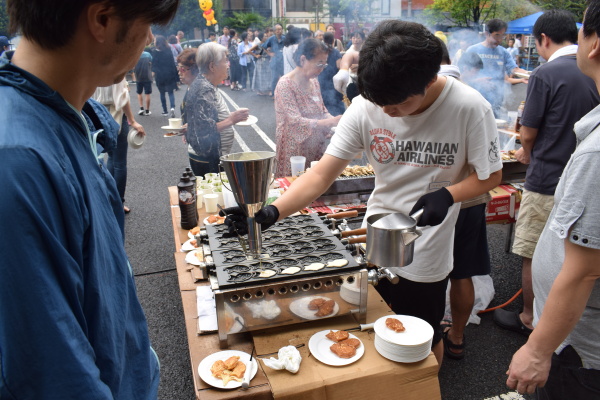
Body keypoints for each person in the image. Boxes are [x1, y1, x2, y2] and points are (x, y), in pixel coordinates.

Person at [223, 20, 502, 365]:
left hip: (427, 247)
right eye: (379, 102)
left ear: (429, 80)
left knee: (423, 340)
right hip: (377, 237)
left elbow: (491, 175)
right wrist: (271, 212)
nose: (386, 112)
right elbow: (323, 173)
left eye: (396, 104)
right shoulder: (369, 104)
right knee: (371, 331)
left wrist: (449, 194)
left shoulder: (469, 108)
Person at [0, 0, 178, 398]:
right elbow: (54, 376)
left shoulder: (69, 114)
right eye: (148, 24)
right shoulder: (18, 160)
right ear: (102, 19)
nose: (150, 38)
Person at [506, 2, 600, 396]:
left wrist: (538, 349)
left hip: (578, 352)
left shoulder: (597, 154)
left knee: (531, 248)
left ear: (593, 43)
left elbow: (584, 268)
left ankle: (529, 317)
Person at [436, 43, 491, 361]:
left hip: (437, 201)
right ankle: (456, 337)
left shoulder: (436, 97)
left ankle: (423, 334)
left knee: (424, 269)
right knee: (463, 272)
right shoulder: (475, 98)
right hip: (470, 200)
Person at [273, 39, 342, 177]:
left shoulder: (314, 82)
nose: (322, 69)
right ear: (303, 59)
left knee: (316, 185)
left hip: (315, 146)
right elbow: (295, 121)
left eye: (324, 64)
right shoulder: (285, 85)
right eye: (319, 64)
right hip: (294, 150)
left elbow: (322, 110)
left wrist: (335, 122)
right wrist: (329, 123)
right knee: (293, 187)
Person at [184, 42, 249, 175]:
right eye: (225, 61)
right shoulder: (204, 89)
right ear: (212, 66)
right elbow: (204, 130)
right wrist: (231, 119)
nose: (228, 65)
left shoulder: (207, 85)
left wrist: (230, 116)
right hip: (207, 158)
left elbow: (207, 116)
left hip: (208, 157)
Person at [93, 79, 146, 214]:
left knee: (111, 158)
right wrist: (132, 121)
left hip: (98, 114)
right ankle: (118, 202)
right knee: (120, 163)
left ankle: (110, 199)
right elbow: (123, 99)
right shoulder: (116, 70)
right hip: (115, 116)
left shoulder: (93, 65)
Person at [465, 19, 529, 118]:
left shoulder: (503, 52)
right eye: (497, 35)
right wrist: (476, 81)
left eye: (502, 36)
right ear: (487, 34)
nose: (499, 39)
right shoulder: (473, 50)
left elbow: (514, 69)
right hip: (475, 99)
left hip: (497, 100)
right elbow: (462, 77)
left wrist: (529, 74)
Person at [333, 31, 364, 101]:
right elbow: (352, 68)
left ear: (363, 39)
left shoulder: (365, 51)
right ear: (351, 39)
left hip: (363, 80)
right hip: (351, 82)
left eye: (358, 38)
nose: (356, 40)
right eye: (354, 38)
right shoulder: (349, 52)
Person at [318, 32, 344, 116]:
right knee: (335, 102)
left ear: (323, 40)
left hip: (322, 80)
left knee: (324, 102)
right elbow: (339, 66)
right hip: (334, 82)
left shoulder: (320, 52)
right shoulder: (335, 52)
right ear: (333, 41)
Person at [152, 35, 178, 116]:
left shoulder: (155, 52)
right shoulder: (168, 50)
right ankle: (172, 108)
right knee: (170, 92)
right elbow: (172, 63)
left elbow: (154, 65)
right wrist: (176, 76)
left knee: (162, 93)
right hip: (169, 74)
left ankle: (165, 111)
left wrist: (153, 73)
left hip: (160, 75)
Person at [262, 23, 286, 96]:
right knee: (274, 79)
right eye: (277, 29)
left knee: (284, 79)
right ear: (275, 31)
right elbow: (263, 46)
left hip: (283, 61)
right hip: (274, 61)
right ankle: (273, 94)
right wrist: (269, 53)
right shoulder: (271, 39)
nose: (279, 31)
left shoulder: (285, 38)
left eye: (280, 29)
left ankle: (284, 94)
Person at [133, 49, 153, 116]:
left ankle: (141, 108)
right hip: (147, 76)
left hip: (138, 76)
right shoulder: (148, 54)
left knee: (139, 93)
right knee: (147, 94)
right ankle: (147, 110)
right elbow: (151, 62)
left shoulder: (135, 54)